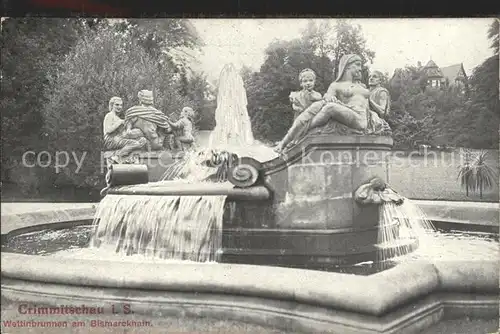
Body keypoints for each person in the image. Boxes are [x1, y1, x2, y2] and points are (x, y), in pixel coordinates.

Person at [275, 54, 370, 153]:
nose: (360, 69)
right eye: (358, 65)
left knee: (329, 107)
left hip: (359, 119)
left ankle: (302, 131)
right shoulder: (336, 85)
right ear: (347, 66)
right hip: (349, 113)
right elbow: (327, 96)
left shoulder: (362, 86)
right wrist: (330, 97)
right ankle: (286, 140)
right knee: (319, 105)